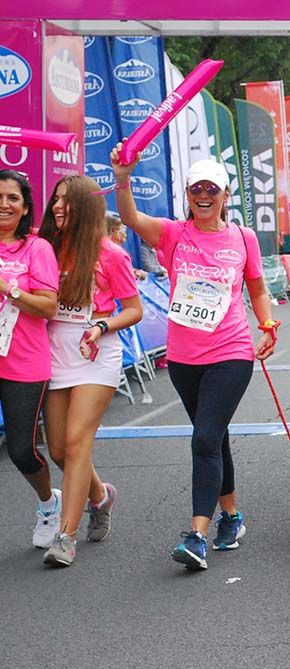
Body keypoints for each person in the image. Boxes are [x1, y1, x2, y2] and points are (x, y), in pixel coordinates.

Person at [112, 148, 277, 571]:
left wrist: (268, 323)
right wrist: (124, 178)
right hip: (184, 357)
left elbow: (256, 287)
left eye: (212, 189)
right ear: (187, 194)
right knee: (213, 436)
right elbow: (129, 218)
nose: (203, 195)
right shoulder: (172, 234)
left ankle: (197, 536)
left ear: (225, 195)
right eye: (196, 189)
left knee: (204, 438)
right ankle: (233, 516)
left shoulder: (242, 238)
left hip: (231, 351)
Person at [37, 175, 143, 567]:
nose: (58, 206)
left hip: (96, 353)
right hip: (55, 352)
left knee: (79, 441)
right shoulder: (47, 247)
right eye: (56, 199)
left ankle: (65, 537)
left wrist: (102, 326)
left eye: (67, 200)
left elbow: (134, 308)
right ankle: (100, 496)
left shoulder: (109, 253)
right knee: (60, 449)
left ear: (85, 207)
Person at [0, 170, 61, 551]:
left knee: (22, 449)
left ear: (25, 208)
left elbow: (49, 307)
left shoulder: (36, 249)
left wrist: (9, 288)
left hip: (23, 362)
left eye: (12, 198)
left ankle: (48, 504)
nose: (3, 205)